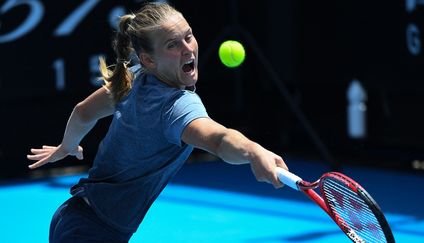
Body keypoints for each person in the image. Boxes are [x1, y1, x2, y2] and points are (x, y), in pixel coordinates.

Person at [27, 2, 289, 242]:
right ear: (149, 59)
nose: (188, 48)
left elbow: (83, 112)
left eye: (188, 36)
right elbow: (219, 140)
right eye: (172, 45)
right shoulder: (177, 106)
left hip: (73, 218)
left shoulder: (132, 77)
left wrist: (67, 145)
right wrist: (254, 151)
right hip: (92, 232)